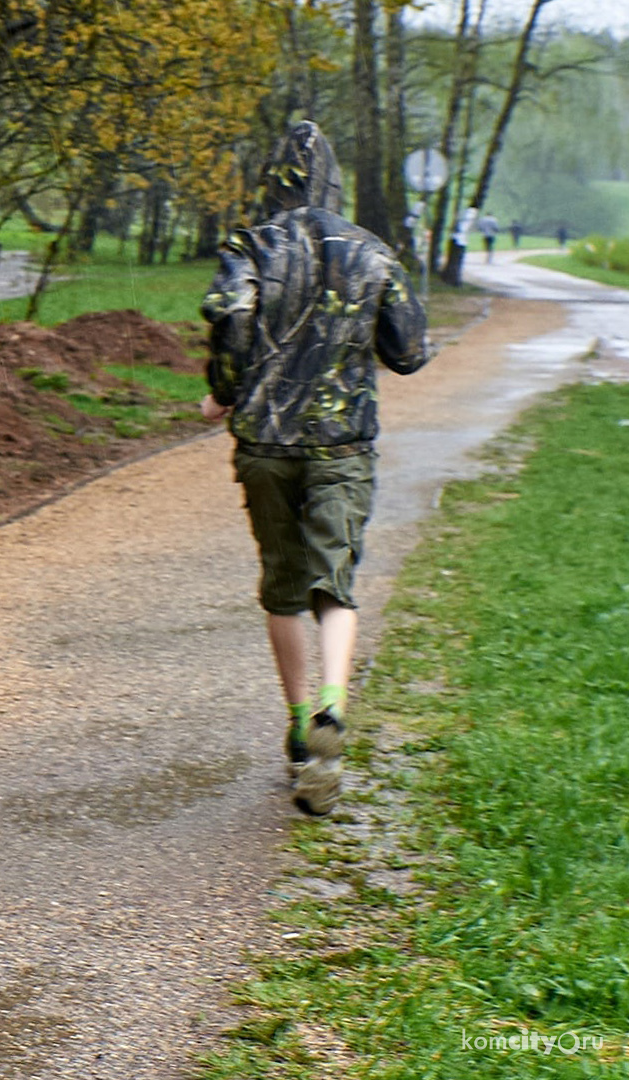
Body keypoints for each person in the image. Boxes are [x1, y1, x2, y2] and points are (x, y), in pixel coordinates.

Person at [197, 120, 429, 816]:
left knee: (282, 585)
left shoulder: (253, 244)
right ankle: (334, 706)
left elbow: (232, 315)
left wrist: (226, 387)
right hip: (342, 444)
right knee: (337, 583)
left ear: (278, 179)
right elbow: (409, 350)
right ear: (335, 179)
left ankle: (300, 731)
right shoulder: (371, 252)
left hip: (266, 442)